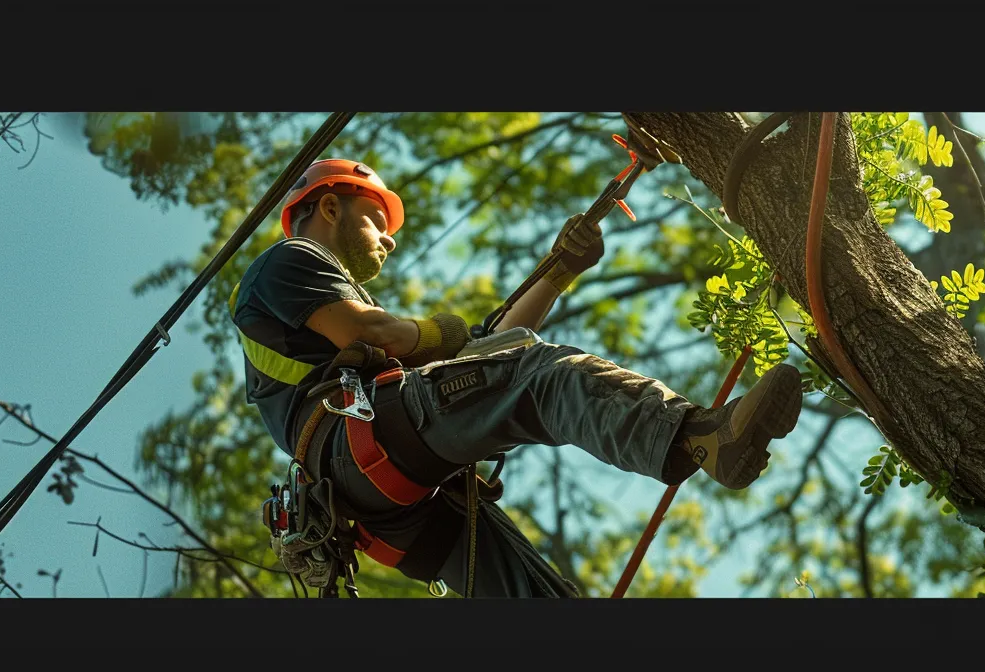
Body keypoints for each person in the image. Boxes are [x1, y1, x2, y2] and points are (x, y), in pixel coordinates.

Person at [228, 158, 803, 597]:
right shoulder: (289, 261)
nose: (391, 236)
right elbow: (380, 334)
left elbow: (484, 353)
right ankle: (699, 437)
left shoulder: (330, 322)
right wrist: (444, 335)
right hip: (361, 442)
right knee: (544, 377)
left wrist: (559, 272)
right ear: (330, 207)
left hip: (380, 488)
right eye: (379, 220)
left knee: (535, 595)